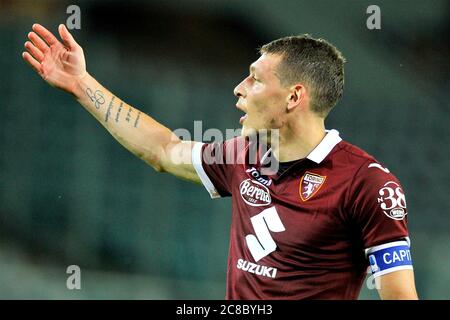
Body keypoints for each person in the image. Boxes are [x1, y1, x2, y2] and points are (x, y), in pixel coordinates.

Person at [22, 23, 418, 300]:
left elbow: (399, 296)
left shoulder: (368, 185)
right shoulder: (245, 155)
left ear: (294, 97)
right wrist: (82, 83)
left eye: (255, 80)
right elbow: (163, 150)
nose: (239, 89)